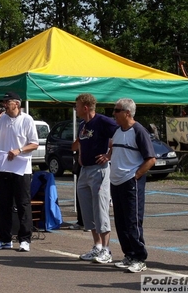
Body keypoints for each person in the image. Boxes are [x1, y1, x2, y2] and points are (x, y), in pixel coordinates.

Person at [0, 91, 39, 252]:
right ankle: (5, 239)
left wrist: (19, 150)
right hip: (4, 167)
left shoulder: (27, 119)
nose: (4, 105)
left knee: (23, 203)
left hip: (21, 168)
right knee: (4, 204)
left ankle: (25, 239)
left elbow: (35, 143)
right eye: (3, 102)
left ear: (16, 104)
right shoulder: (1, 119)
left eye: (6, 102)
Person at [110, 98, 156, 273]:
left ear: (127, 113)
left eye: (117, 110)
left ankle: (139, 257)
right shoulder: (117, 130)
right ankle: (128, 254)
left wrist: (135, 176)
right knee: (120, 221)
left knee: (133, 220)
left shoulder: (138, 131)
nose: (113, 113)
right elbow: (114, 150)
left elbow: (151, 159)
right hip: (116, 181)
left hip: (130, 182)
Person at [74, 94, 118, 264]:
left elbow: (120, 134)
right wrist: (80, 155)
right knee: (87, 210)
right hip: (84, 170)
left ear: (85, 107)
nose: (75, 109)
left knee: (100, 209)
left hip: (99, 170)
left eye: (77, 106)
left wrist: (109, 154)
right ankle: (97, 246)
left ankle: (107, 250)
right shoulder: (83, 124)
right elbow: (82, 142)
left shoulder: (103, 121)